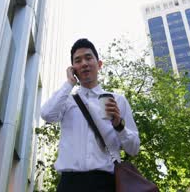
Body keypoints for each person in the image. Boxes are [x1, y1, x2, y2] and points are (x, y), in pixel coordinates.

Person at [41, 38, 140, 192]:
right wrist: (69, 83)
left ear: (99, 64)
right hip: (69, 183)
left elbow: (133, 149)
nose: (84, 63)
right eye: (78, 60)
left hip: (105, 182)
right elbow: (47, 115)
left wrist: (119, 125)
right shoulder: (66, 100)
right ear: (73, 68)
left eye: (88, 58)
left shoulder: (117, 101)